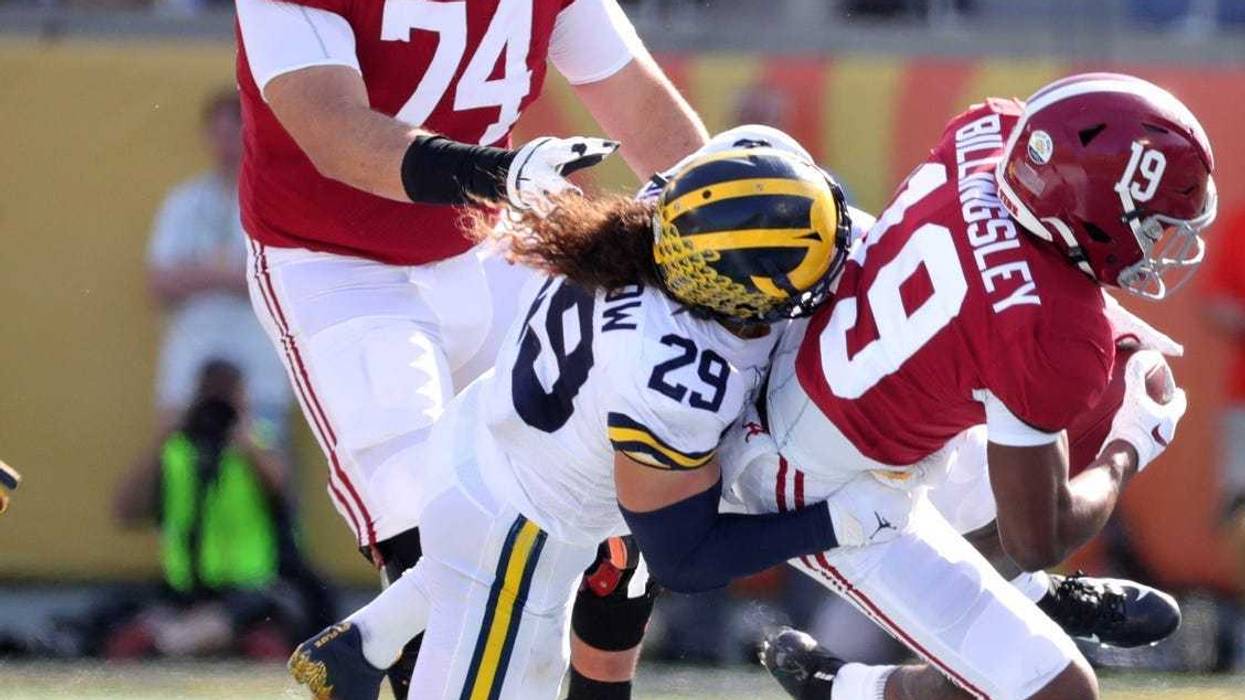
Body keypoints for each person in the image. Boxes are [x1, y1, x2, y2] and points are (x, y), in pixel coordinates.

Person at [287, 130, 913, 700]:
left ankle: (359, 649)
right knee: (520, 609)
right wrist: (838, 521)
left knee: (511, 556)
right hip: (523, 533)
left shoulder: (674, 210)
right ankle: (375, 645)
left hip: (485, 440)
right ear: (734, 292)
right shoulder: (674, 376)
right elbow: (686, 559)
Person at [232, 1, 707, 697]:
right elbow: (335, 135)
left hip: (485, 245)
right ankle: (390, 642)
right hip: (332, 265)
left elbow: (644, 113)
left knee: (619, 499)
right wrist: (504, 175)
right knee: (431, 538)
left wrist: (718, 215)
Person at [727, 73, 1216, 700]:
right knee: (1062, 691)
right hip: (816, 484)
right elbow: (1039, 537)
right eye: (1150, 227)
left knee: (1066, 425)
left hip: (832, 380)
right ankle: (856, 688)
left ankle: (1018, 599)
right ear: (1094, 206)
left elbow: (994, 278)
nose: (1156, 247)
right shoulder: (1058, 332)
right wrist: (1132, 446)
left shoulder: (988, 134)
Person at [112, 360, 332, 659]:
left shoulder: (258, 444)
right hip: (185, 592)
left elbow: (283, 490)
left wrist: (245, 440)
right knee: (123, 616)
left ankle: (176, 641)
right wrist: (160, 441)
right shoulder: (176, 451)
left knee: (264, 622)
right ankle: (188, 637)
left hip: (252, 590)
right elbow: (126, 512)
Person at [146, 89, 293, 445]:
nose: (229, 145)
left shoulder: (281, 202)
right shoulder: (184, 201)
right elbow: (158, 281)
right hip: (188, 367)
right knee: (178, 468)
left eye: (238, 132)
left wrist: (201, 273)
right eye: (222, 133)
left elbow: (288, 284)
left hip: (261, 372)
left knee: (265, 467)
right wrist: (237, 276)